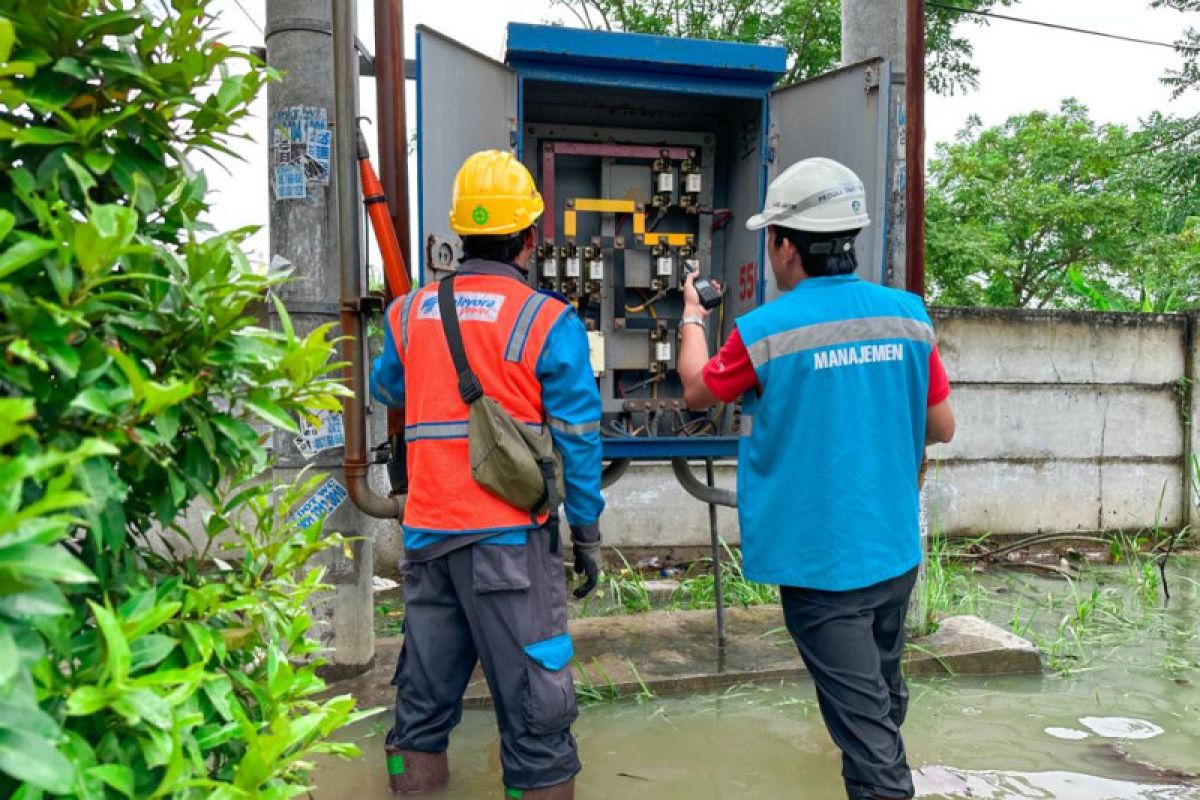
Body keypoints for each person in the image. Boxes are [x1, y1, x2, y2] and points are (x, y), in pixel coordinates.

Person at [677, 157, 956, 800]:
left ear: (784, 244)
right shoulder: (908, 316)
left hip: (821, 569)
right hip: (893, 555)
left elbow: (696, 389)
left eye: (770, 238)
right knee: (879, 705)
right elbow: (941, 426)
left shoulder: (765, 330)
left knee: (868, 738)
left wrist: (693, 315)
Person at [370, 150, 604, 799]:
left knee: (417, 714)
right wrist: (587, 534)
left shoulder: (409, 313)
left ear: (459, 236)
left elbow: (384, 384)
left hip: (427, 543)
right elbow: (581, 440)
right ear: (529, 239)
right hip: (508, 549)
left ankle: (408, 788)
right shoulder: (547, 320)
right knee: (538, 717)